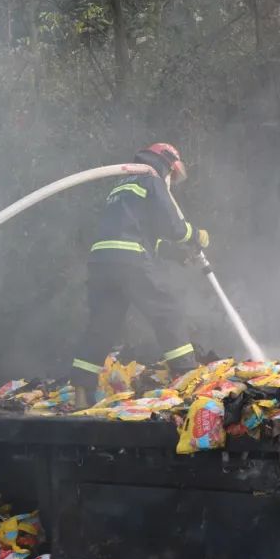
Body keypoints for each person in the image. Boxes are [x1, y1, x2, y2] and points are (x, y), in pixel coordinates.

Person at [71, 143, 210, 407]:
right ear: (167, 163)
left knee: (101, 326)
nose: (171, 182)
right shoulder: (152, 179)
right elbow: (175, 227)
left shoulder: (121, 186)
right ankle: (186, 377)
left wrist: (177, 255)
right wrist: (195, 235)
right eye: (172, 175)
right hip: (130, 259)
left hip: (102, 262)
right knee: (167, 311)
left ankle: (80, 391)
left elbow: (143, 234)